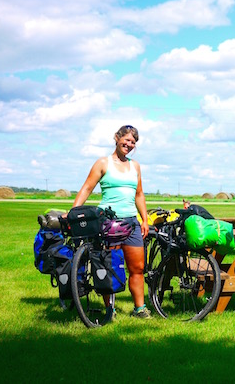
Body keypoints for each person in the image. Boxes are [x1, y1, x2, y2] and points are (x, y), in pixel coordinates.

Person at [72, 125, 150, 321]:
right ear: (117, 138)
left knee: (137, 268)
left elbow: (139, 194)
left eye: (133, 142)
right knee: (108, 266)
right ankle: (109, 310)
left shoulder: (136, 166)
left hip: (131, 223)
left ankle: (140, 309)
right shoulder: (103, 163)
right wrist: (73, 212)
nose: (129, 144)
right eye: (127, 140)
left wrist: (144, 219)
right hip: (108, 222)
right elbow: (87, 188)